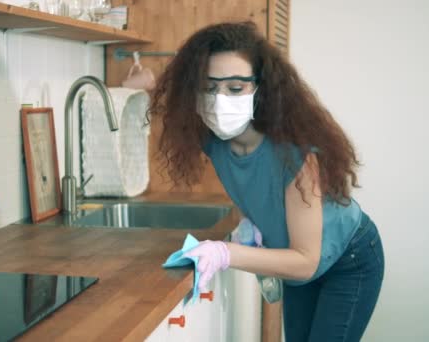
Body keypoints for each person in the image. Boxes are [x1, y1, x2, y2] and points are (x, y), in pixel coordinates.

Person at [149, 21, 385, 342]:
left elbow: (305, 261)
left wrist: (225, 252)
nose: (220, 101)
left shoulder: (296, 155)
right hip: (297, 261)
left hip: (349, 260)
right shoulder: (213, 137)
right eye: (208, 87)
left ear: (261, 88)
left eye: (235, 88)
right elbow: (164, 97)